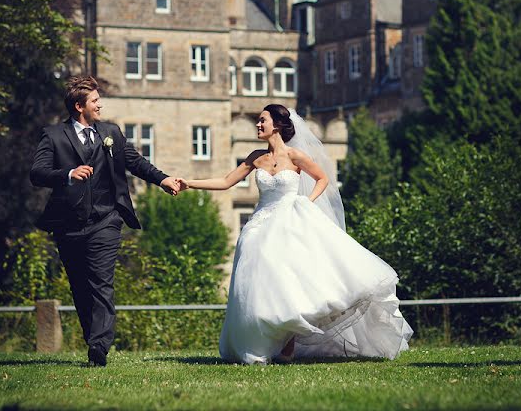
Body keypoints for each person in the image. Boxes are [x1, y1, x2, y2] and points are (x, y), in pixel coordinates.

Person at [179, 104, 412, 364]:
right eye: (258, 121)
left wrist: (307, 202)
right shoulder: (256, 157)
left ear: (277, 125)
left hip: (289, 221)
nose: (258, 125)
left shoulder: (296, 156)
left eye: (262, 121)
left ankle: (288, 343)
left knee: (286, 279)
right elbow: (225, 182)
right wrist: (190, 183)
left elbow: (322, 178)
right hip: (259, 226)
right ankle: (258, 343)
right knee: (256, 285)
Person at [30, 76, 184, 367]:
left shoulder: (111, 132)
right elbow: (37, 173)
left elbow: (135, 162)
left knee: (101, 282)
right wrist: (67, 174)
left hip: (106, 219)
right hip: (68, 225)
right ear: (79, 106)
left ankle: (99, 347)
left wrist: (162, 179)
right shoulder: (53, 135)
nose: (100, 104)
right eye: (94, 101)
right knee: (80, 286)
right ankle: (94, 339)